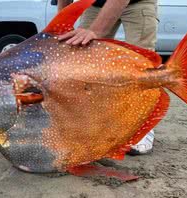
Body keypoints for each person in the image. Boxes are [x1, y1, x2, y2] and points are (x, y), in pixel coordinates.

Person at [57, 0, 158, 154]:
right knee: (84, 60)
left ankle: (142, 129)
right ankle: (97, 127)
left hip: (139, 2)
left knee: (141, 62)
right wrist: (63, 25)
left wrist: (96, 31)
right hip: (95, 4)